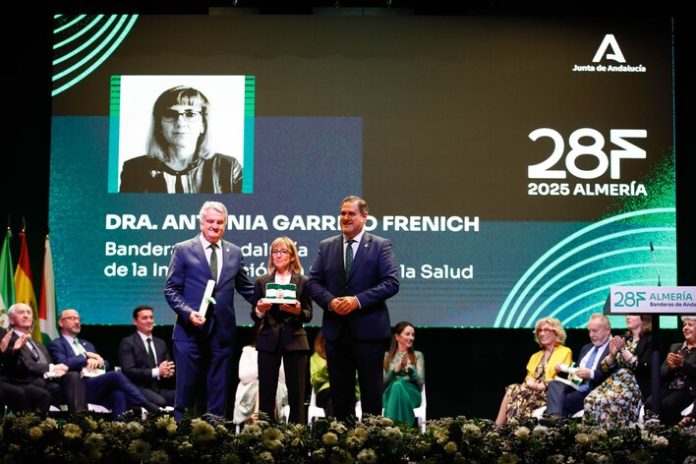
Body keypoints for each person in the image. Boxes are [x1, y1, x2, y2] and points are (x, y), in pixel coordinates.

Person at [307, 195, 400, 420]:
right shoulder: (326, 246)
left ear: (365, 216)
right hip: (337, 335)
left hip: (369, 334)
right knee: (340, 397)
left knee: (371, 395)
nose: (346, 218)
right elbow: (312, 282)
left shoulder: (380, 245)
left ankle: (370, 446)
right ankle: (344, 447)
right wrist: (330, 301)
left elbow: (391, 282)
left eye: (351, 213)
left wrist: (357, 301)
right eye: (343, 213)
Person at [164, 200, 255, 419]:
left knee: (218, 393)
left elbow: (246, 287)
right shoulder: (183, 249)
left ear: (226, 224)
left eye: (220, 222)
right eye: (210, 221)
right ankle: (180, 440)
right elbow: (171, 289)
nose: (215, 226)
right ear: (201, 222)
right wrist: (187, 312)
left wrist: (266, 302)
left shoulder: (234, 252)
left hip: (222, 333)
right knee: (186, 392)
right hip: (189, 333)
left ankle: (216, 441)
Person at [120, 85, 243, 193]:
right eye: (170, 114)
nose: (180, 123)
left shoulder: (229, 168)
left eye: (190, 114)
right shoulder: (134, 170)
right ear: (159, 125)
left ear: (203, 125)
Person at [48, 308, 161, 419]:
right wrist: (85, 358)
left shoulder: (87, 344)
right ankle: (144, 403)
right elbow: (62, 362)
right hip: (78, 386)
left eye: (78, 319)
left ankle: (119, 431)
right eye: (71, 318)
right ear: (61, 322)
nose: (77, 322)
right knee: (115, 375)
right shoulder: (57, 344)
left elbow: (105, 363)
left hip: (96, 383)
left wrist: (98, 362)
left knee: (118, 394)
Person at [252, 236, 312, 424]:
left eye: (283, 251)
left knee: (297, 396)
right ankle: (266, 440)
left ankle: (297, 439)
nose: (278, 255)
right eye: (275, 251)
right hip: (268, 341)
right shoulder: (262, 281)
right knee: (267, 395)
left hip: (295, 340)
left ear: (292, 256)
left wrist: (297, 311)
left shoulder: (303, 281)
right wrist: (260, 310)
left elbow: (309, 314)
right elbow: (254, 315)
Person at [4, 304, 85, 413]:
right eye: (21, 312)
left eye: (29, 312)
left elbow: (48, 363)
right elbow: (26, 364)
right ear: (11, 320)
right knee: (51, 392)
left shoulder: (38, 343)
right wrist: (52, 368)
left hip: (47, 380)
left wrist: (57, 371)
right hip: (26, 380)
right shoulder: (9, 339)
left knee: (73, 377)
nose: (26, 315)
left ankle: (78, 417)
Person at [495, 317, 572, 426]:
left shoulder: (565, 351)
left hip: (549, 393)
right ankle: (507, 427)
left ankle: (501, 427)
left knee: (515, 391)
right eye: (540, 331)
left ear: (556, 332)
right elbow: (529, 376)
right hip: (532, 391)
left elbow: (561, 377)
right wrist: (530, 381)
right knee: (514, 389)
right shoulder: (535, 356)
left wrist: (543, 385)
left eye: (546, 330)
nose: (542, 334)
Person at [583, 314, 653, 428]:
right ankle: (593, 438)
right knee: (590, 400)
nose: (627, 317)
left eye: (632, 314)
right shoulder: (624, 338)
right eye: (627, 314)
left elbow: (644, 368)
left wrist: (623, 350)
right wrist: (612, 355)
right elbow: (604, 368)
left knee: (609, 401)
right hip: (615, 381)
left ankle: (614, 437)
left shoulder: (650, 339)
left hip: (635, 384)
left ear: (644, 318)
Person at [545, 313, 613, 419]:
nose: (591, 335)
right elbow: (576, 371)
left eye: (595, 331)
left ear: (607, 330)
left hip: (595, 389)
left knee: (564, 399)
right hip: (576, 386)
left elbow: (610, 374)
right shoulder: (586, 348)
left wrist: (590, 374)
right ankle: (555, 419)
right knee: (554, 384)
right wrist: (563, 370)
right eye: (589, 331)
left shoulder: (613, 348)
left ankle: (554, 421)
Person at [118, 305, 176, 408]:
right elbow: (129, 371)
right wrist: (157, 371)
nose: (149, 321)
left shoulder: (160, 343)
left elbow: (167, 366)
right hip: (138, 387)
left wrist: (168, 372)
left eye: (151, 317)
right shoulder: (128, 342)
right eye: (144, 318)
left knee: (180, 397)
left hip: (158, 387)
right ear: (135, 322)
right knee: (160, 402)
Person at [647, 316, 696, 426]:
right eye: (684, 325)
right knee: (650, 403)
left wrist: (683, 364)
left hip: (689, 390)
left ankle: (672, 437)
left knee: (668, 404)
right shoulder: (676, 347)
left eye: (690, 325)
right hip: (669, 387)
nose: (685, 328)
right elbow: (661, 373)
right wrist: (671, 368)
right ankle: (653, 437)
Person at [1, 323, 53, 413]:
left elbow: (10, 365)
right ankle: (25, 425)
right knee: (18, 393)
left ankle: (39, 425)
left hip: (8, 379)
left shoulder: (2, 332)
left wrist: (14, 351)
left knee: (43, 395)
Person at [233, 341, 288, 426]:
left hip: (276, 390)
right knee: (261, 383)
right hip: (249, 394)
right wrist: (264, 366)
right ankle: (260, 419)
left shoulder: (279, 351)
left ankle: (260, 418)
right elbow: (243, 376)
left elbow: (284, 378)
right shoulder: (248, 350)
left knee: (268, 383)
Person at [382, 321, 425, 425]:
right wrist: (395, 370)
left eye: (413, 335)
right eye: (407, 334)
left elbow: (420, 383)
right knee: (396, 386)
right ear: (397, 337)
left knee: (398, 385)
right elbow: (382, 383)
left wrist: (409, 369)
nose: (411, 338)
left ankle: (392, 428)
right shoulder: (386, 356)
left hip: (411, 393)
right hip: (389, 393)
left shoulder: (418, 355)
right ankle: (405, 430)